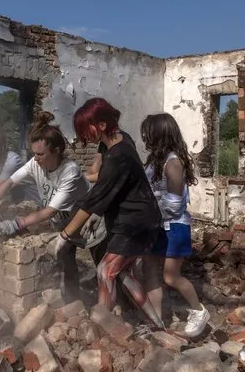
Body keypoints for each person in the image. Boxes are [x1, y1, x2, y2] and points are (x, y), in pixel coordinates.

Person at [0, 112, 101, 302]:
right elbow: (9, 183)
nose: (36, 158)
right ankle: (74, 302)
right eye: (34, 153)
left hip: (90, 223)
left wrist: (15, 224)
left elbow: (48, 211)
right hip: (65, 223)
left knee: (103, 266)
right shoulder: (35, 163)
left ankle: (117, 308)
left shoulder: (70, 173)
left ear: (57, 151)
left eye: (40, 154)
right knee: (66, 259)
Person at [57, 98, 165, 328]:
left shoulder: (118, 156)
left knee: (105, 270)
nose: (84, 135)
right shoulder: (119, 139)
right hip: (140, 218)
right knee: (123, 274)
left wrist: (64, 236)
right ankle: (156, 323)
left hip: (136, 223)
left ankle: (101, 324)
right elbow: (100, 171)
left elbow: (93, 200)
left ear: (102, 125)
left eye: (86, 129)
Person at [140, 113, 210, 337]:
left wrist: (147, 211)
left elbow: (174, 205)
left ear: (160, 135)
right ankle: (157, 320)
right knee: (149, 270)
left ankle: (198, 311)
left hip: (173, 227)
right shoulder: (154, 161)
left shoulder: (173, 164)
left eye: (148, 134)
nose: (145, 138)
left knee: (171, 276)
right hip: (155, 225)